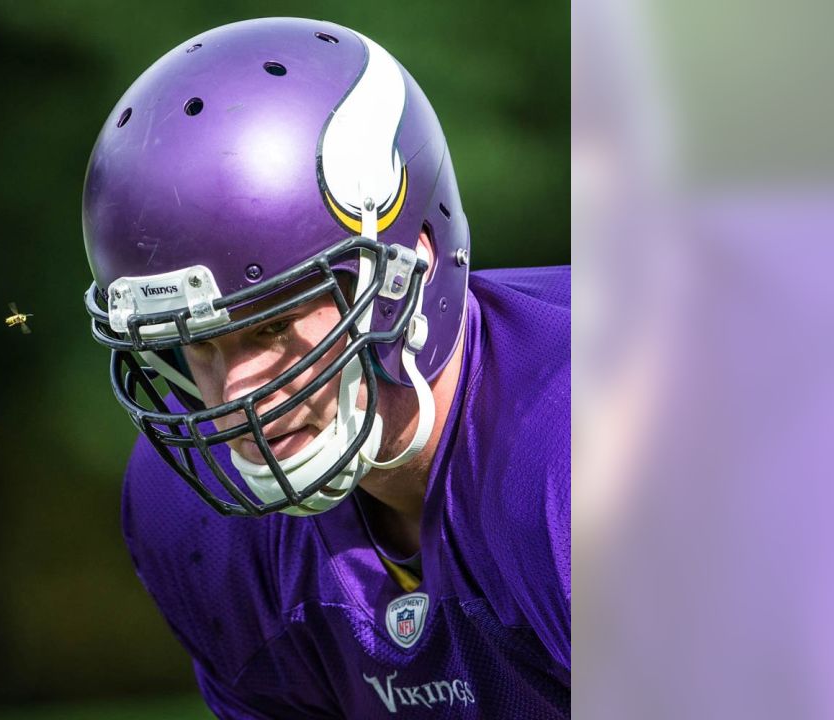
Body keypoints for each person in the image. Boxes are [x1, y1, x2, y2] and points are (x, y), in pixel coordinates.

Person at [81, 17, 569, 718]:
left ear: (412, 269)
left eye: (273, 324)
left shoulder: (580, 450)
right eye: (201, 343)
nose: (237, 389)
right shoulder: (195, 520)